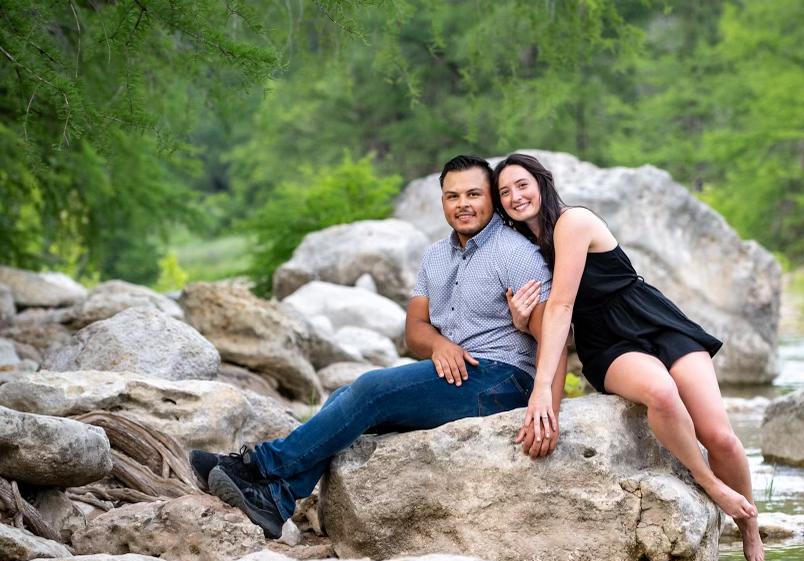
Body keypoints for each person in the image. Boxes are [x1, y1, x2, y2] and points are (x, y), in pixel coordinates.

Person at [192, 154, 567, 538]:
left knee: (370, 390)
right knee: (344, 397)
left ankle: (262, 466)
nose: (463, 204)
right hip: (457, 377)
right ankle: (277, 499)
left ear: (491, 199)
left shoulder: (515, 253)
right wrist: (439, 344)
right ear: (442, 201)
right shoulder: (436, 256)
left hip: (503, 380)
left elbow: (553, 337)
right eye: (453, 196)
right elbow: (414, 331)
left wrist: (547, 409)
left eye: (474, 194)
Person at [493, 153, 765, 561]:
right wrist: (522, 319)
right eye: (504, 192)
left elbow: (563, 304)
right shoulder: (523, 252)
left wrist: (541, 392)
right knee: (660, 392)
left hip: (654, 321)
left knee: (721, 436)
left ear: (542, 183)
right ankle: (711, 484)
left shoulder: (574, 221)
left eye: (521, 184)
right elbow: (556, 331)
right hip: (606, 344)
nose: (515, 196)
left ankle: (750, 525)